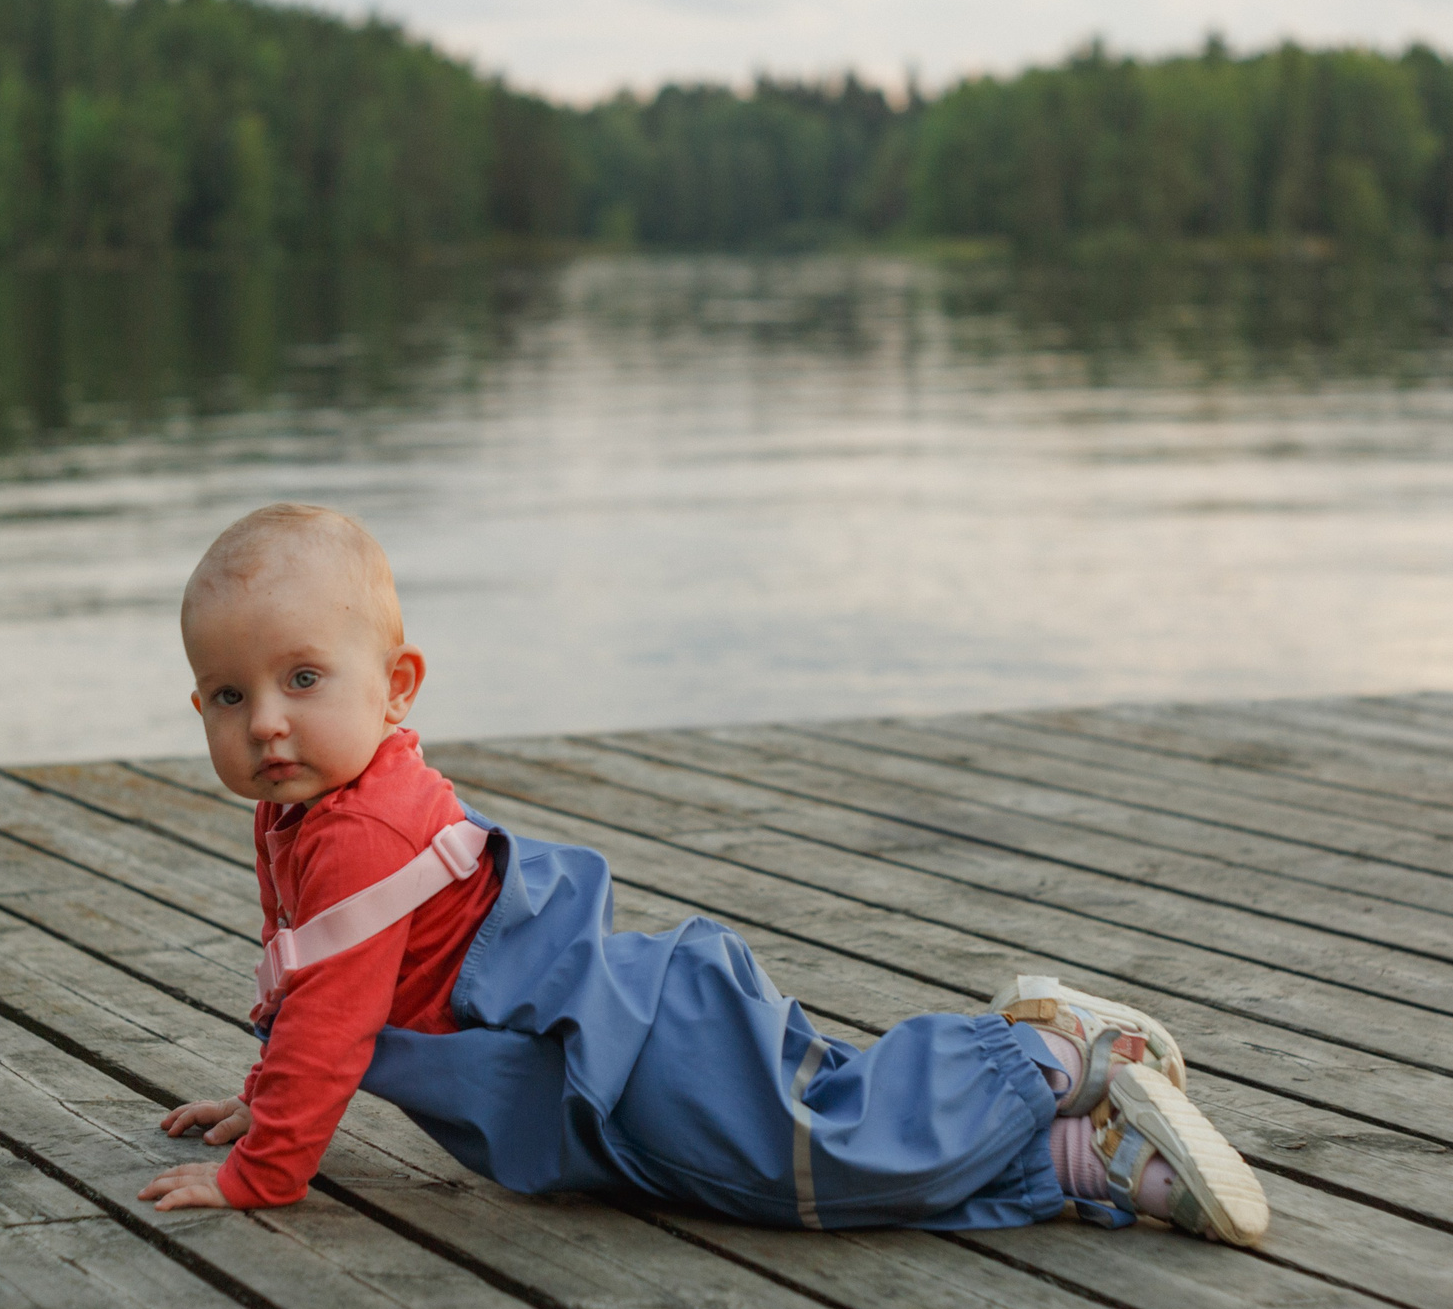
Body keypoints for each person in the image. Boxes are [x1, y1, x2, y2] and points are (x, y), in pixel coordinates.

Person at [138, 503, 1269, 1244]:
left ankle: (1050, 1051)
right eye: (232, 696)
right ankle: (1085, 1158)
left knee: (806, 1160)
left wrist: (265, 1170)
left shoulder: (354, 834)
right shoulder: (316, 810)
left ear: (395, 687)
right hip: (595, 1057)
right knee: (793, 1151)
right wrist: (266, 1099)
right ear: (200, 706)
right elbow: (332, 990)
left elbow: (335, 1015)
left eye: (302, 678)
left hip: (620, 1046)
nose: (269, 725)